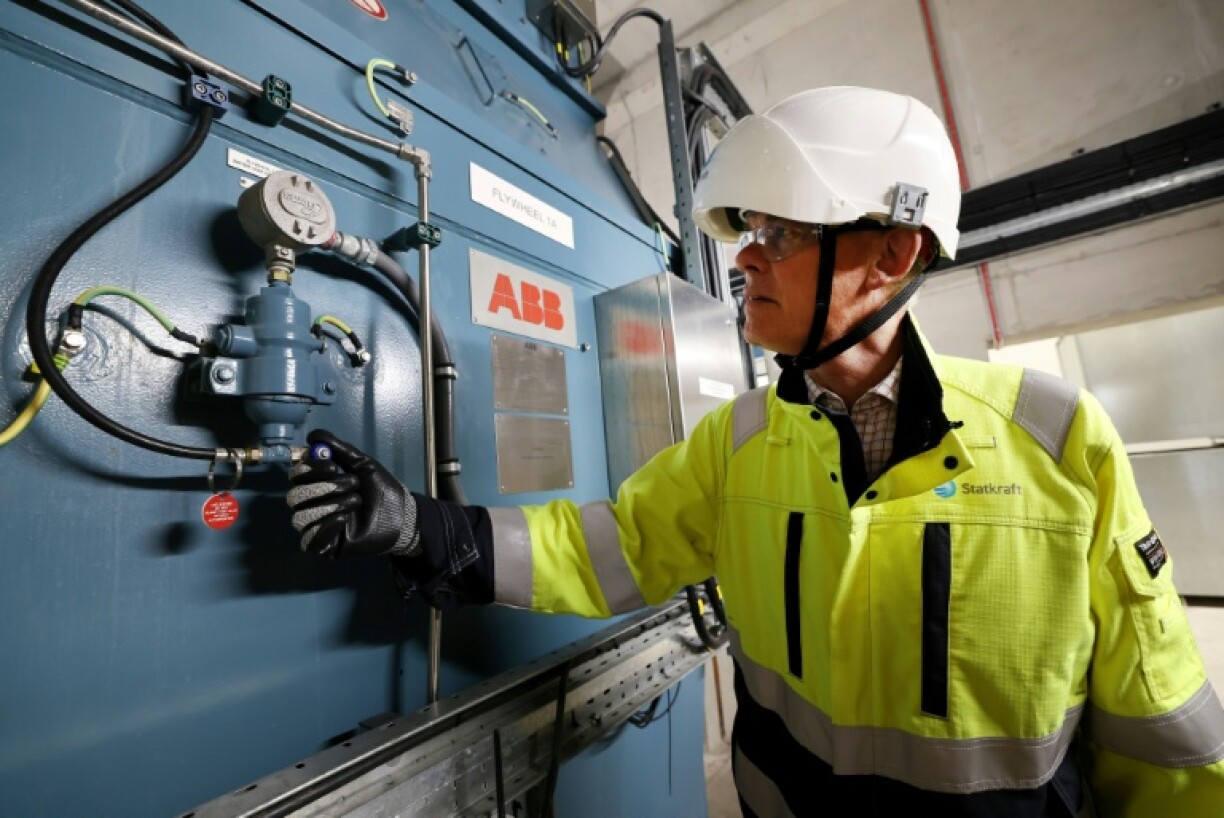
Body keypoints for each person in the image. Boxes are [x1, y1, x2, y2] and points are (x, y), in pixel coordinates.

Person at [285, 86, 1224, 816]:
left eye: (780, 233)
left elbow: (1163, 736)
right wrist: (424, 529)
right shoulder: (737, 441)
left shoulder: (1058, 442)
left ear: (893, 256)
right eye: (750, 233)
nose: (743, 258)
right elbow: (608, 547)